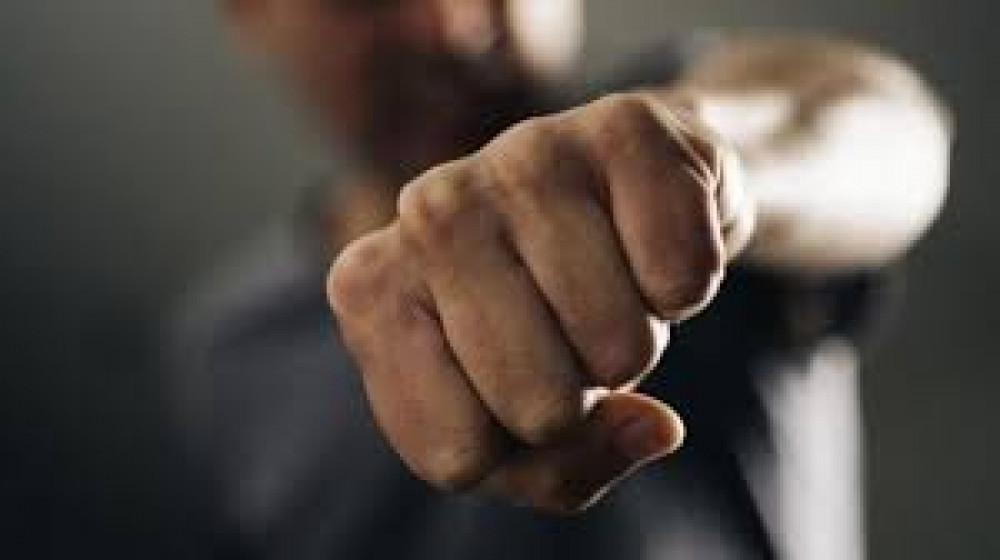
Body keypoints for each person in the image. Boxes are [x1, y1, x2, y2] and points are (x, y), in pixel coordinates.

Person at [167, 0, 952, 558]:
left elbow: (878, 138)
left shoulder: (678, 144)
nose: (451, 26)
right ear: (249, 11)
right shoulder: (227, 356)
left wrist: (713, 162)